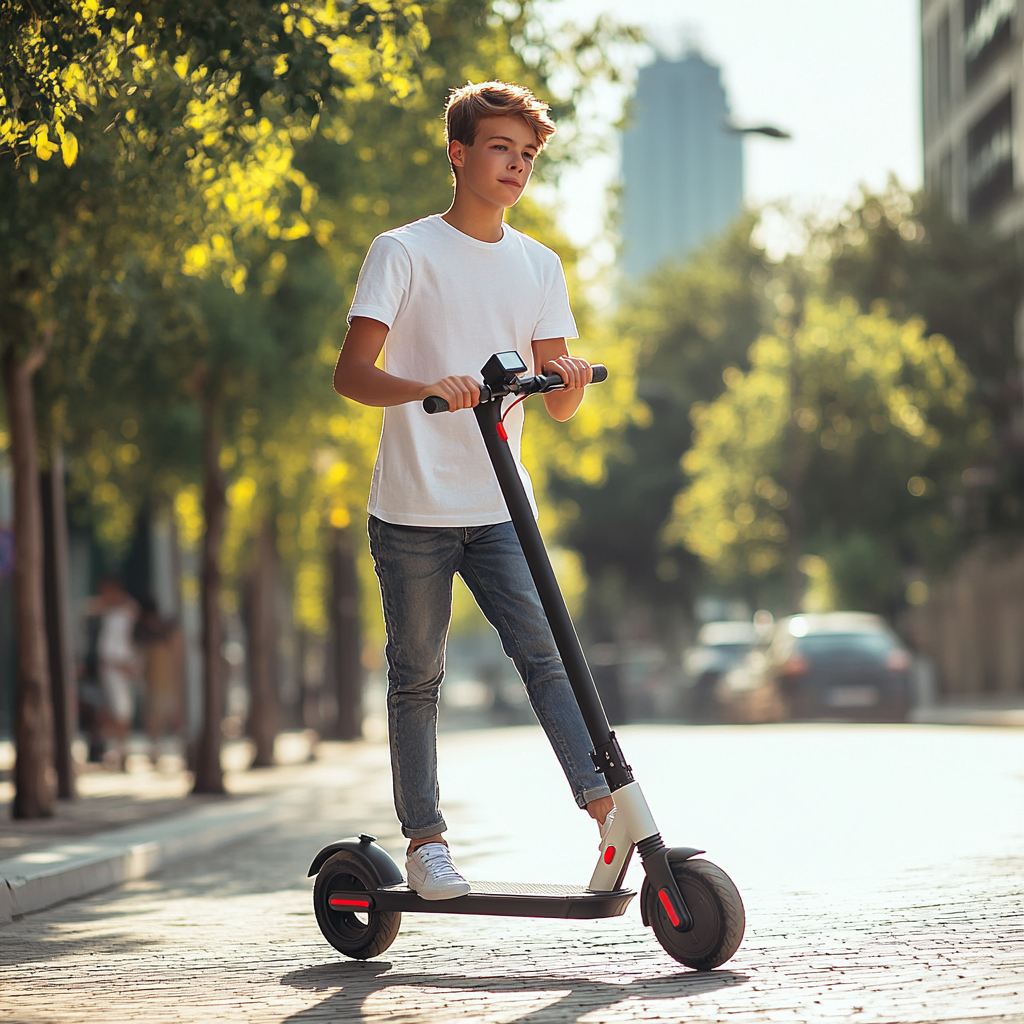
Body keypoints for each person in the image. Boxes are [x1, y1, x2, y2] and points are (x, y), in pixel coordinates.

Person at [333, 80, 615, 900]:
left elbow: (557, 405)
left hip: (499, 506)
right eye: (501, 148)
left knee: (548, 658)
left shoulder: (538, 264)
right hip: (414, 508)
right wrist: (430, 387)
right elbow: (353, 374)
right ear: (458, 153)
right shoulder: (404, 250)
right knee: (416, 675)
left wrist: (568, 377)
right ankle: (426, 844)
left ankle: (608, 811)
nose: (517, 165)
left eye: (528, 155)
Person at [93, 575, 139, 770]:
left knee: (123, 710)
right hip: (108, 666)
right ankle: (116, 750)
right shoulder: (103, 609)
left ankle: (123, 750)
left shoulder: (128, 608)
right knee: (111, 711)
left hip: (122, 665)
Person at [133, 596, 185, 766]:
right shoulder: (145, 632)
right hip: (154, 678)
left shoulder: (165, 631)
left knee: (163, 714)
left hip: (163, 677)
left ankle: (160, 750)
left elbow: (178, 650)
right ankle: (156, 750)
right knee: (155, 715)